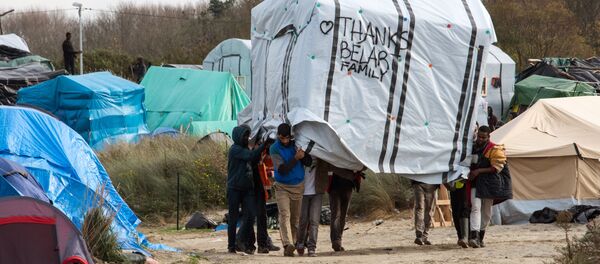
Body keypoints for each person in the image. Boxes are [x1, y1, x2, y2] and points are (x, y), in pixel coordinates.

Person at [270, 123, 312, 257]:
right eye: (282, 138)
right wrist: (296, 158)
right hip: (282, 186)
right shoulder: (274, 148)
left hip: (298, 186)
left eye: (287, 138)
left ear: (290, 136)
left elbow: (308, 162)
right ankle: (287, 244)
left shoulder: (296, 144)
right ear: (278, 136)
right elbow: (282, 170)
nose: (285, 141)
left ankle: (294, 242)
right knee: (284, 215)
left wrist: (303, 155)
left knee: (295, 218)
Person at [468, 125, 512, 248]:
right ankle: (474, 236)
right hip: (475, 183)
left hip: (488, 184)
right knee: (475, 207)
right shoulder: (472, 147)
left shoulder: (494, 149)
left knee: (486, 212)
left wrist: (478, 171)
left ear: (488, 137)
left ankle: (481, 236)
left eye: (483, 137)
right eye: (479, 137)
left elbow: (496, 167)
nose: (480, 139)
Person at [226, 125, 268, 254]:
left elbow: (253, 158)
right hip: (234, 188)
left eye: (247, 135)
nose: (246, 138)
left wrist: (263, 148)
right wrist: (264, 145)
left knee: (250, 215)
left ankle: (241, 240)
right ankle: (231, 246)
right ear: (238, 136)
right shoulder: (235, 149)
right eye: (244, 135)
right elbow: (250, 156)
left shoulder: (245, 149)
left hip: (247, 189)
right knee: (233, 219)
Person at [236, 137, 281, 254]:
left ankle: (263, 243)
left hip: (259, 188)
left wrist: (267, 151)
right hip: (248, 189)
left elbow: (267, 165)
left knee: (261, 216)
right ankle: (249, 244)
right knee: (250, 216)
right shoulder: (244, 152)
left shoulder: (261, 152)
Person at [319, 159, 363, 252]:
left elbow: (363, 166)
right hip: (335, 186)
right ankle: (336, 241)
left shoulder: (351, 152)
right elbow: (330, 166)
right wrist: (351, 175)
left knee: (340, 215)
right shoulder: (337, 150)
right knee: (337, 215)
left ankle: (338, 240)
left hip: (347, 186)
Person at [296, 156, 327, 257]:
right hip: (302, 192)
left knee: (314, 221)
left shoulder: (321, 155)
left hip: (317, 192)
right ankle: (300, 243)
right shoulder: (300, 154)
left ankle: (311, 248)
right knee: (303, 220)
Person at [412, 181, 439, 245]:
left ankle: (420, 235)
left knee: (420, 208)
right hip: (431, 182)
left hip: (419, 182)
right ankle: (423, 235)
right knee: (428, 210)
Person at [448, 178, 470, 248]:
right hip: (453, 185)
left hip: (465, 184)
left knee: (464, 208)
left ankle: (465, 237)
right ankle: (461, 236)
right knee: (455, 211)